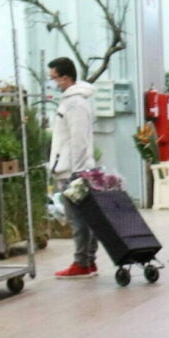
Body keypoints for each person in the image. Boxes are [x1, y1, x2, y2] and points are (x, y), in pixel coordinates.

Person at [48, 57, 99, 279]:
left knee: (78, 218)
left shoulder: (75, 103)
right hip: (74, 167)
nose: (52, 83)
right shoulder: (73, 101)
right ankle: (88, 261)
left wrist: (77, 172)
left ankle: (82, 262)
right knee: (86, 217)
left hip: (74, 170)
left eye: (54, 78)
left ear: (66, 77)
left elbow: (78, 139)